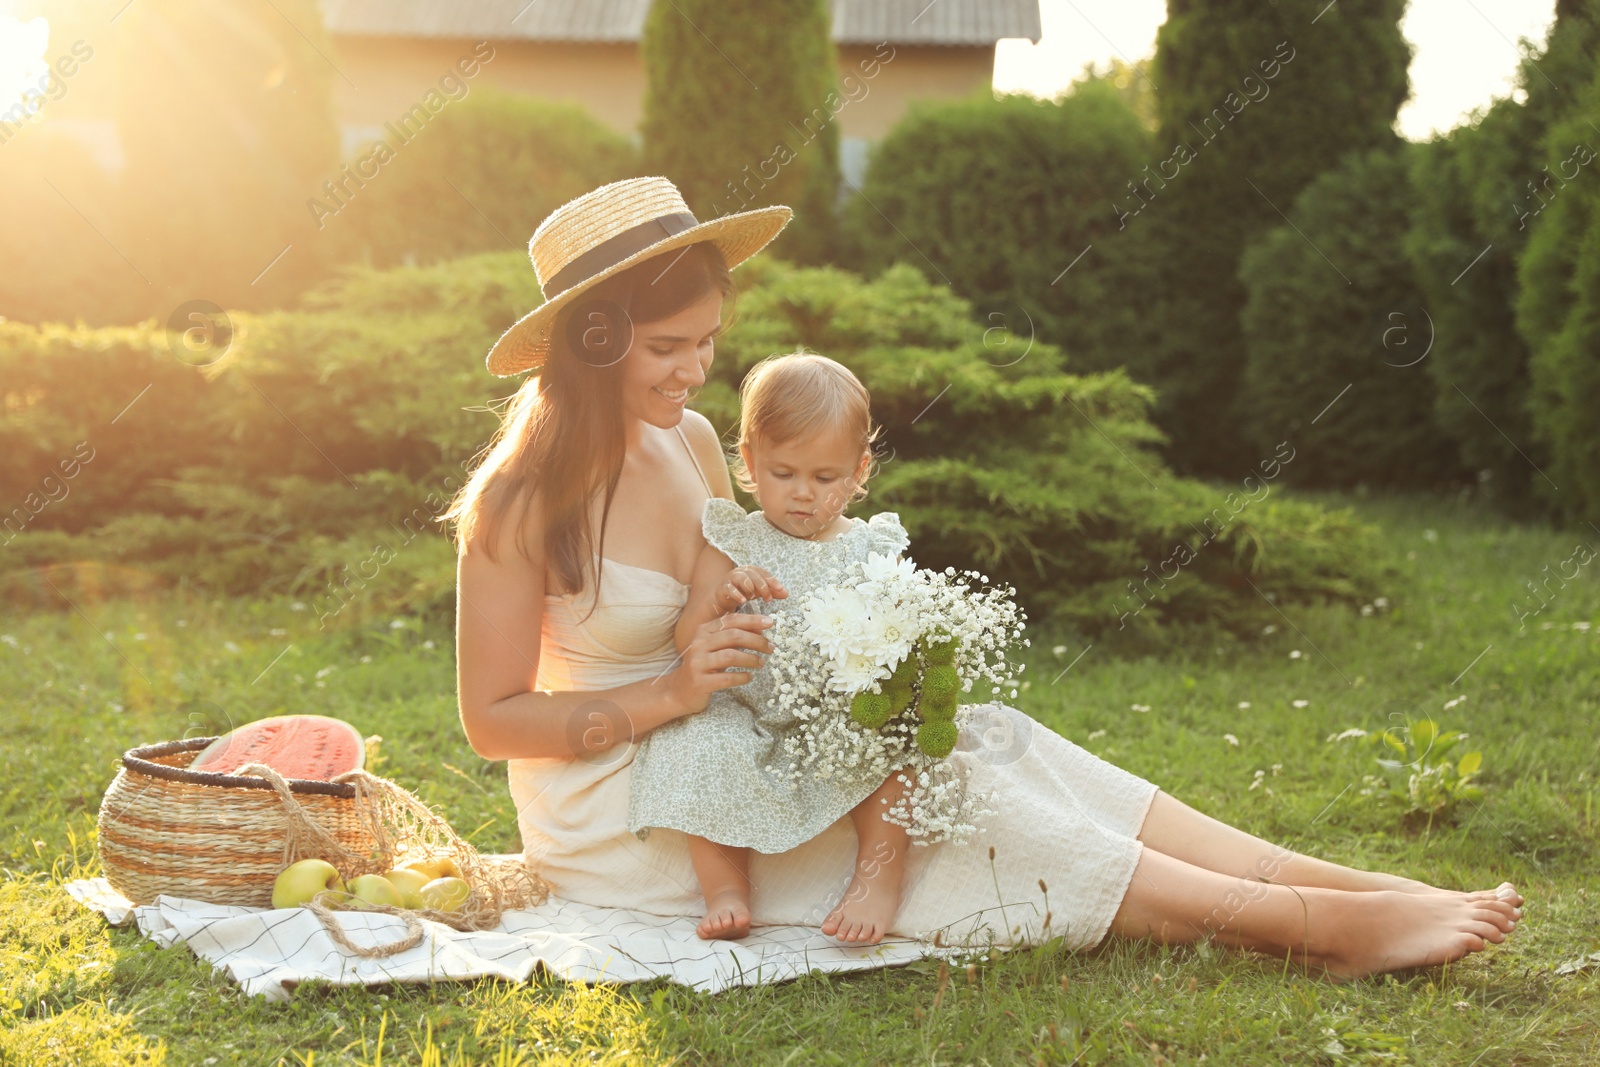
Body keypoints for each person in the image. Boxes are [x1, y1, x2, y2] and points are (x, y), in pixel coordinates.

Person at [449, 176, 1522, 976]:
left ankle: (1335, 882)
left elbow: (734, 587)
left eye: (706, 343)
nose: (694, 374)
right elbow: (493, 720)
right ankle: (1312, 930)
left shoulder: (680, 441)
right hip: (639, 801)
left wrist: (833, 645)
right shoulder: (514, 507)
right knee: (958, 799)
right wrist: (675, 693)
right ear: (593, 340)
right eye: (667, 349)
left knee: (980, 732)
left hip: (743, 726)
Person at [626, 352, 926, 945]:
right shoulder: (735, 540)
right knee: (694, 740)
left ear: (860, 470)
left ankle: (878, 876)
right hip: (748, 708)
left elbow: (896, 639)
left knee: (898, 745)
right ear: (751, 463)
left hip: (836, 714)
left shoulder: (870, 547)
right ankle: (726, 888)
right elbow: (687, 639)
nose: (802, 496)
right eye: (784, 474)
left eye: (825, 478)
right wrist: (720, 602)